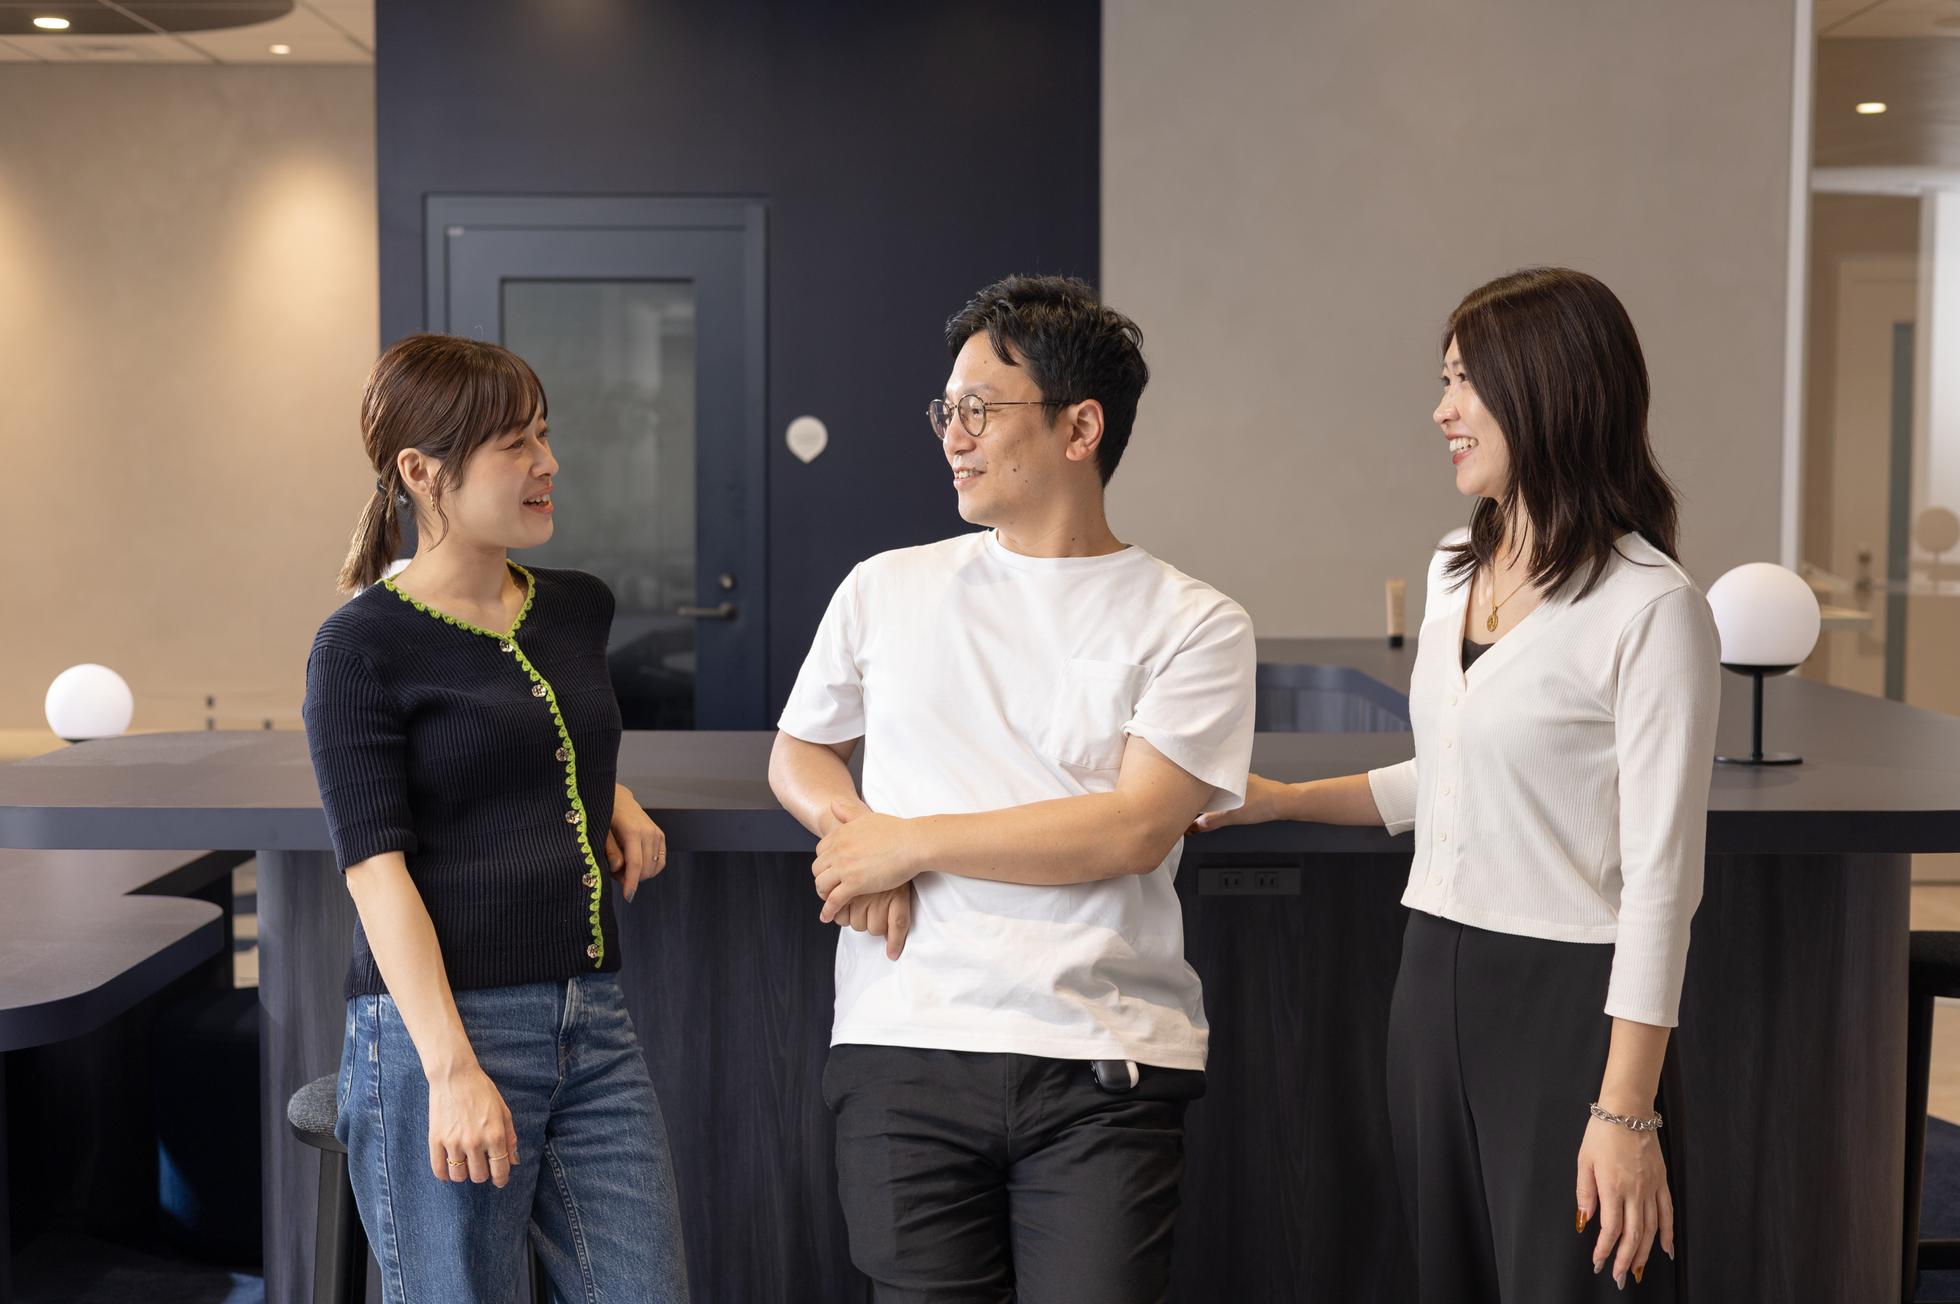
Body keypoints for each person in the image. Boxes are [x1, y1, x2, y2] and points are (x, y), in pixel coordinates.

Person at [1201, 267, 1719, 1301]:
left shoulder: (1651, 608)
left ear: (1550, 387)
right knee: (1450, 1276)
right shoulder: (1456, 569)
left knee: (1570, 1280)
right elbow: (1456, 777)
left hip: (1566, 1001)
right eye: (1444, 381)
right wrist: (1284, 798)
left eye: (1464, 381)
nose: (1442, 410)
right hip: (1431, 975)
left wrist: (1625, 1109)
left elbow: (1663, 881)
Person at [769, 274, 1256, 1302]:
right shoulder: (886, 585)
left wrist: (910, 843)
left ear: (1081, 427)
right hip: (904, 1036)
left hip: (1101, 1057)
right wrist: (854, 834)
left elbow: (1131, 829)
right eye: (947, 410)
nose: (954, 436)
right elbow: (799, 751)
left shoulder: (1195, 621)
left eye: (981, 410)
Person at [302, 333, 689, 1302]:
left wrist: (605, 790)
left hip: (592, 1017)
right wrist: (450, 1071)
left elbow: (536, 728)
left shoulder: (576, 609)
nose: (547, 463)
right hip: (444, 1029)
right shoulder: (358, 647)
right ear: (421, 471)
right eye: (516, 444)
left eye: (544, 435)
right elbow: (375, 871)